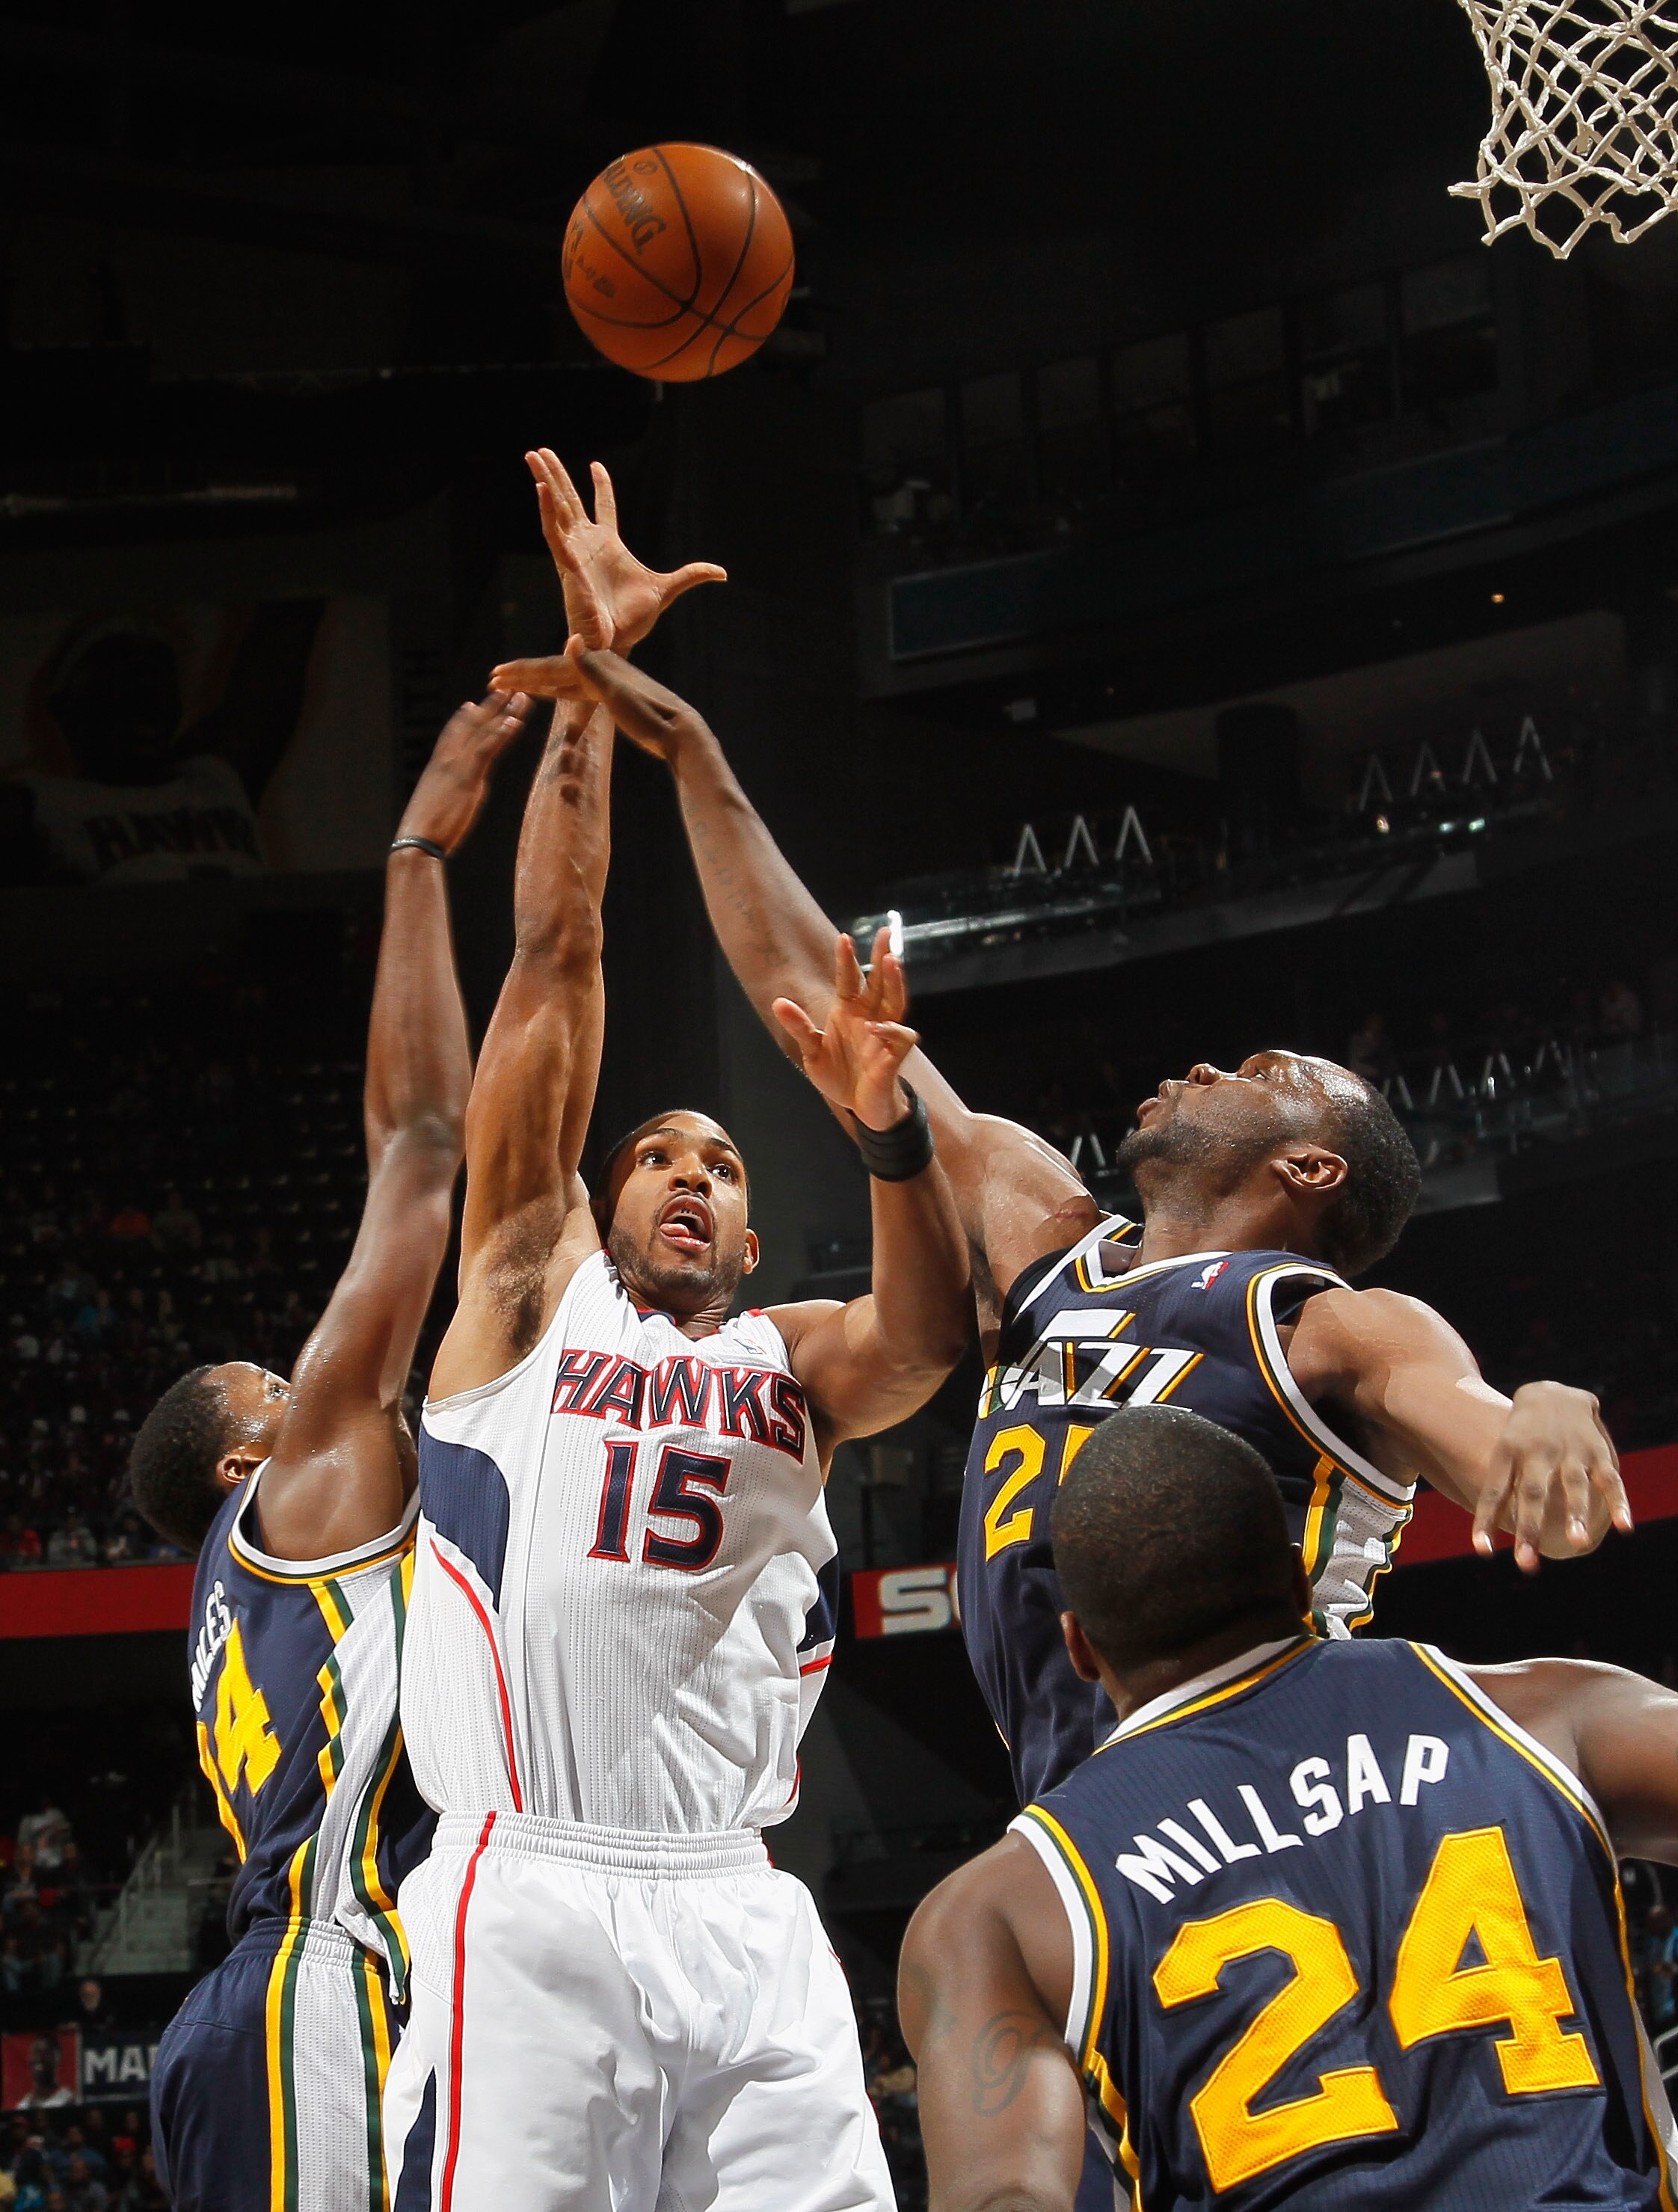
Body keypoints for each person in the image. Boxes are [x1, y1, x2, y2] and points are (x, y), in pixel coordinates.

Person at [492, 603, 1627, 1804]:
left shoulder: (1328, 1323)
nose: (1209, 1066)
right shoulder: (1040, 1228)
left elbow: (1526, 1481)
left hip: (1273, 1794)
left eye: (1261, 1075)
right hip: (1080, 1806)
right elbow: (808, 986)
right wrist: (692, 750)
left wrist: (1550, 1411)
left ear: (1311, 1169)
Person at [382, 451, 971, 2211]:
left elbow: (926, 1332)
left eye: (720, 1161)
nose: (690, 1173)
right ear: (601, 1196)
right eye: (655, 1157)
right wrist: (590, 687)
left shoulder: (796, 1364)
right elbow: (555, 952)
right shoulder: (524, 1294)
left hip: (739, 1895)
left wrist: (890, 1134)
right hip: (527, 1885)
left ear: (754, 1228)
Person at [898, 1405, 1678, 2211]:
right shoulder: (1543, 1716)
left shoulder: (996, 1911)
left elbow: (1003, 2196)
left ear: (1080, 1648)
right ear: (1301, 1582)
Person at [126, 690, 529, 2212]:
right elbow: (419, 1148)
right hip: (321, 1984)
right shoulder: (309, 1497)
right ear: (248, 1467)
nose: (313, 1393)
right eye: (274, 1393)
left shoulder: (239, 1599)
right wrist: (418, 851)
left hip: (302, 1986)